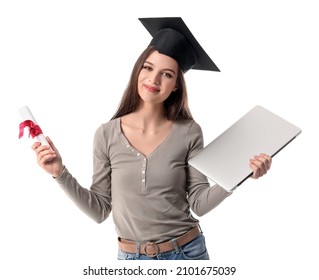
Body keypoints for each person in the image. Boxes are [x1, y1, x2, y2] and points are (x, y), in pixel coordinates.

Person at [32, 17, 272, 260]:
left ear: (176, 85)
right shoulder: (106, 134)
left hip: (187, 254)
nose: (154, 80)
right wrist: (59, 173)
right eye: (148, 68)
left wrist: (237, 175)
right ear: (138, 70)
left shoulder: (189, 132)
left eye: (166, 74)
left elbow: (199, 202)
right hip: (130, 259)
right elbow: (99, 210)